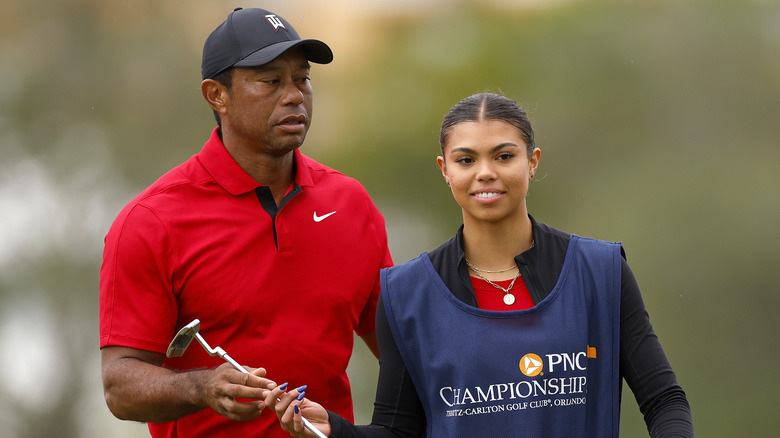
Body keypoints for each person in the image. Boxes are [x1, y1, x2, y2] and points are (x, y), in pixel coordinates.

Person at [267, 92, 694, 437]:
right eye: (466, 160)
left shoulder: (600, 272)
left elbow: (663, 400)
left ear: (533, 161)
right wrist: (338, 432)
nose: (485, 173)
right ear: (445, 171)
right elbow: (399, 431)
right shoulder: (406, 294)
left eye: (504, 156)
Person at [99, 7, 393, 438]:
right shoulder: (151, 222)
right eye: (271, 81)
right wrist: (200, 386)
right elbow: (119, 386)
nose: (294, 95)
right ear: (216, 95)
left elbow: (402, 349)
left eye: (302, 79)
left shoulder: (350, 202)